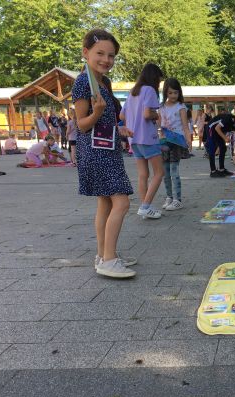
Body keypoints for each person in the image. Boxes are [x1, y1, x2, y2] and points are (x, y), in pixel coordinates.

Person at [72, 29, 136, 278]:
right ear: (86, 52)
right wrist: (97, 113)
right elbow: (82, 124)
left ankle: (104, 254)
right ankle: (108, 260)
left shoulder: (103, 82)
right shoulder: (82, 82)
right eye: (100, 53)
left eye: (111, 55)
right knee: (122, 202)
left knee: (106, 203)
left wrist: (120, 129)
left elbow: (103, 121)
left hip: (107, 149)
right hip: (96, 152)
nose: (106, 60)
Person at [120, 63, 164, 220]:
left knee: (143, 174)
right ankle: (145, 206)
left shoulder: (133, 92)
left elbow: (122, 116)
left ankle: (146, 205)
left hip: (133, 138)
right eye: (159, 80)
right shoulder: (150, 90)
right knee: (159, 172)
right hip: (147, 137)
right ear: (154, 78)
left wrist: (134, 118)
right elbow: (147, 114)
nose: (159, 84)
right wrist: (156, 116)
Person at [159, 77, 193, 211]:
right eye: (170, 93)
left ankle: (178, 199)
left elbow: (185, 126)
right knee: (165, 173)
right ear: (165, 93)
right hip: (164, 141)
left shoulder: (181, 107)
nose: (173, 95)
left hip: (177, 142)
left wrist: (189, 140)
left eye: (176, 93)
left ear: (179, 93)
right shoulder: (161, 107)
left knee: (174, 171)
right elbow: (159, 125)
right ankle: (169, 197)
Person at [206, 110, 235, 177]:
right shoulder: (228, 118)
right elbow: (217, 128)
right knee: (212, 149)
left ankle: (221, 169)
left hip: (219, 131)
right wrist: (225, 138)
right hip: (211, 129)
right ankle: (213, 171)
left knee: (223, 148)